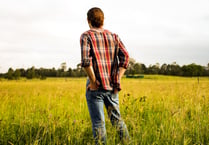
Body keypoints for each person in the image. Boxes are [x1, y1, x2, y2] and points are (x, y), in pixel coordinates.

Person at [80, 7, 130, 144]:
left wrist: (93, 81)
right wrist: (117, 78)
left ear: (88, 20)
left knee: (98, 124)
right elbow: (125, 57)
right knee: (117, 120)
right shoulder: (114, 36)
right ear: (103, 20)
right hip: (112, 86)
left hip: (96, 88)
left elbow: (85, 62)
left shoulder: (87, 36)